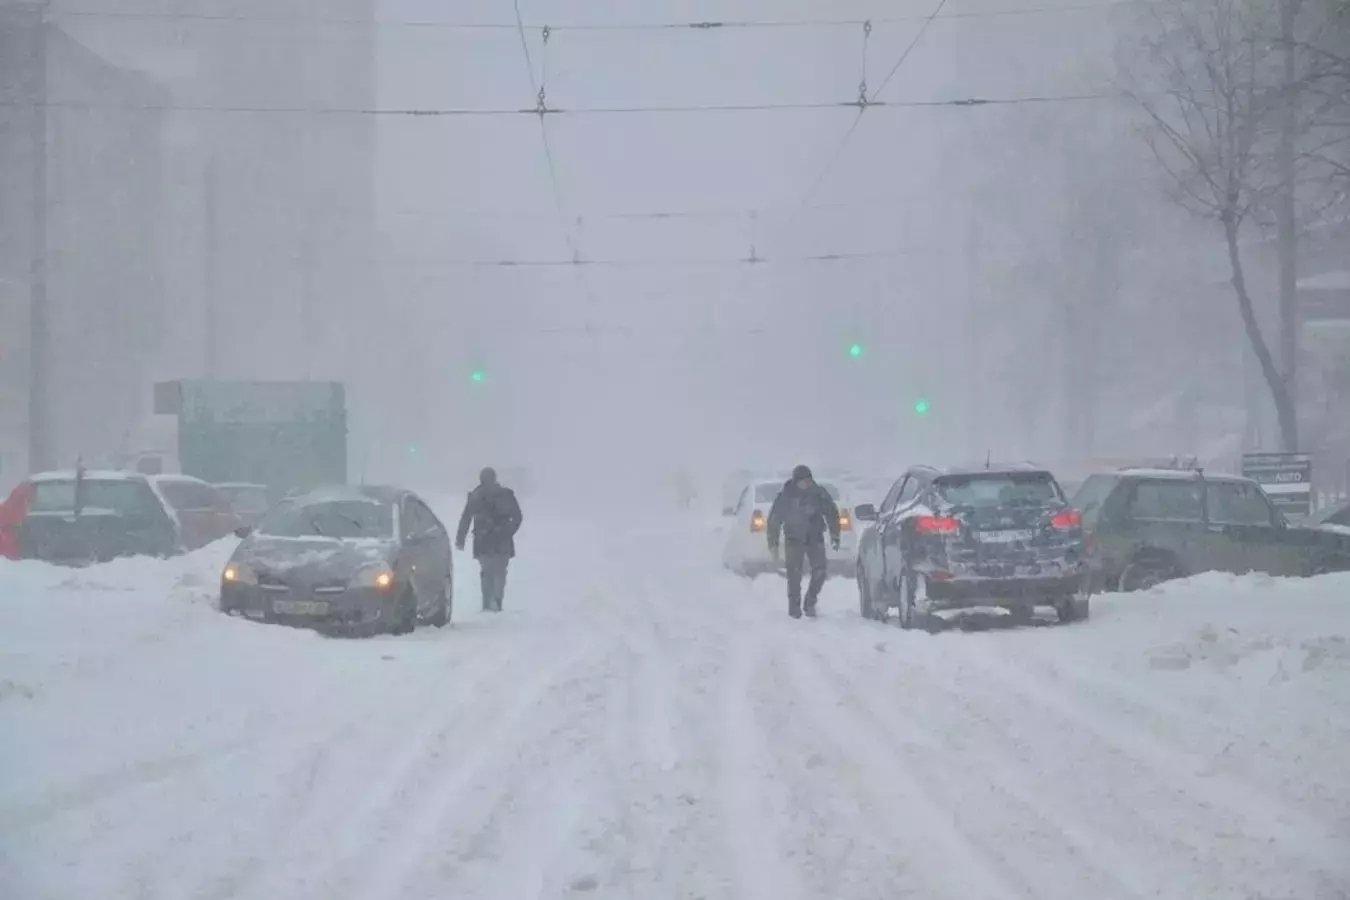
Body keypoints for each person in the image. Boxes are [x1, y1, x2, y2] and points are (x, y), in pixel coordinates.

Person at [766, 464, 840, 619]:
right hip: (793, 539)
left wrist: (835, 534)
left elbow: (832, 512)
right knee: (794, 575)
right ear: (796, 482)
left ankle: (810, 602)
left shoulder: (818, 494)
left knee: (820, 571)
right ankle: (794, 608)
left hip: (815, 537)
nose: (807, 484)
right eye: (804, 481)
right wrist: (773, 542)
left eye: (809, 481)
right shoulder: (786, 496)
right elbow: (774, 519)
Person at [455, 467, 523, 612]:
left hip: (483, 540)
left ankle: (487, 601)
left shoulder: (476, 496)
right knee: (499, 572)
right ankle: (496, 600)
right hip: (501, 540)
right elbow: (517, 517)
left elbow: (465, 519)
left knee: (487, 572)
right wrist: (508, 531)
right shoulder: (505, 495)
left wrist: (461, 538)